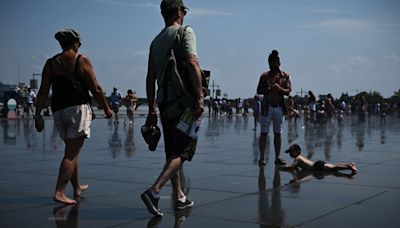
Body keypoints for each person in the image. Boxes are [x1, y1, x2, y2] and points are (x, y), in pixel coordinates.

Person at [34, 28, 112, 204]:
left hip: (59, 111)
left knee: (72, 148)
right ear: (75, 43)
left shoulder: (50, 63)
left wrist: (37, 113)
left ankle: (76, 187)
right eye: (79, 42)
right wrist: (106, 109)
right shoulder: (81, 60)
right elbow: (96, 89)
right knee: (71, 153)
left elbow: (43, 92)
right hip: (78, 109)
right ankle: (59, 192)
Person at [141, 0, 204, 217]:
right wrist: (200, 97)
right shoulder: (185, 31)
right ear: (178, 11)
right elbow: (192, 62)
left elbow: (150, 79)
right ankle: (154, 191)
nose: (184, 14)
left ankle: (179, 196)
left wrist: (151, 108)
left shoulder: (155, 41)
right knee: (183, 150)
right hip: (184, 103)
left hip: (165, 104)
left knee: (171, 151)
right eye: (184, 11)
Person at [257, 50, 291, 166]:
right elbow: (259, 90)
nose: (272, 65)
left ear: (279, 63)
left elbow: (288, 91)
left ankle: (277, 157)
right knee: (264, 133)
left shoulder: (284, 76)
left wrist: (279, 89)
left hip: (279, 107)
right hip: (267, 107)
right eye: (270, 63)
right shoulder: (264, 76)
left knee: (278, 133)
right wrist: (269, 90)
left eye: (274, 63)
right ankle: (262, 158)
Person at [281, 144, 357, 173]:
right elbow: (296, 167)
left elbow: (292, 167)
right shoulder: (299, 157)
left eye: (291, 152)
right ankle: (349, 164)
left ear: (297, 151)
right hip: (317, 164)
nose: (290, 154)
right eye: (289, 152)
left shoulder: (297, 158)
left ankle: (349, 167)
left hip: (317, 166)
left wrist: (282, 168)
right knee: (334, 167)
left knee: (334, 168)